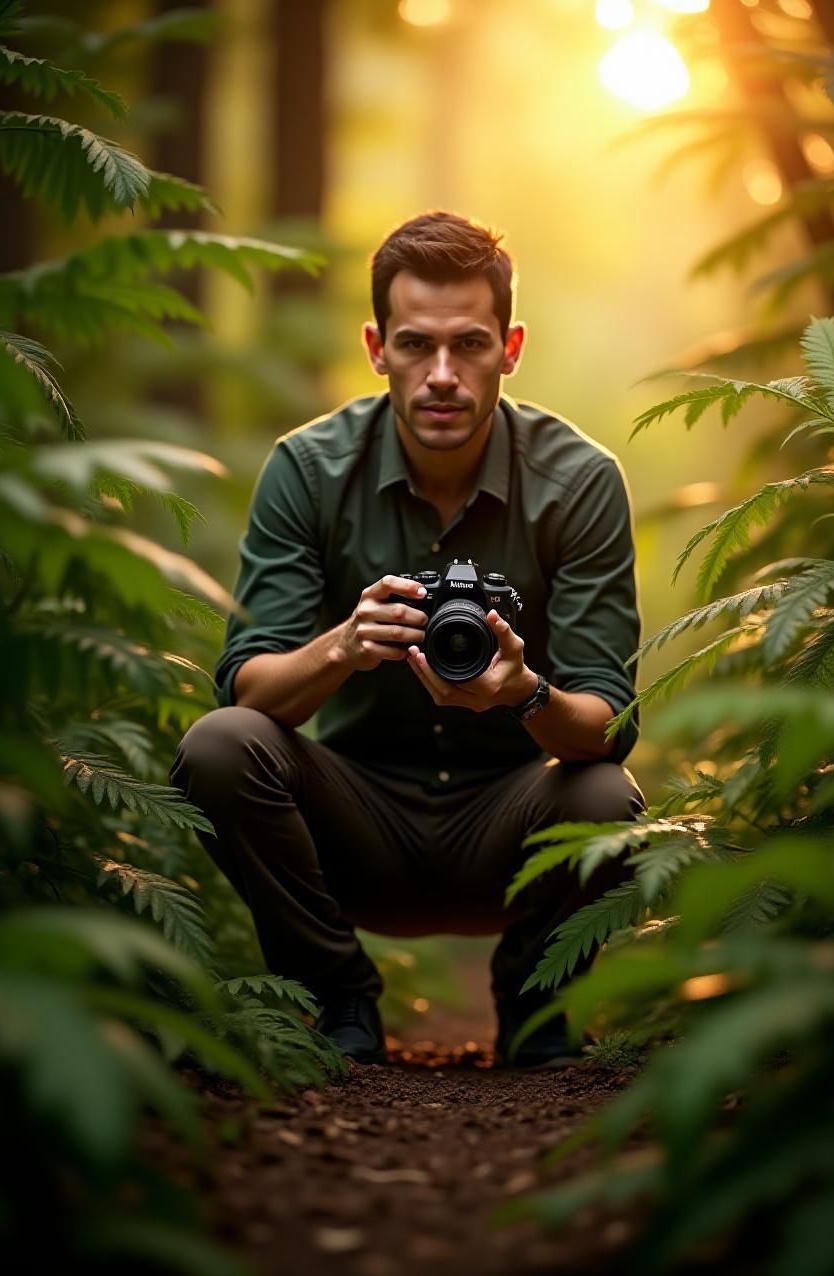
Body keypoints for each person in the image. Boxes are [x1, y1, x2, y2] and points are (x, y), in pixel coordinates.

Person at [169, 210, 645, 1070]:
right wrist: (343, 646)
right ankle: (336, 995)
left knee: (610, 796)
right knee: (220, 745)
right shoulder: (308, 469)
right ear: (375, 346)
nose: (442, 376)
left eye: (469, 345)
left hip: (515, 830)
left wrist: (523, 691)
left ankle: (537, 1000)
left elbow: (609, 723)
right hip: (358, 825)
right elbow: (246, 687)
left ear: (512, 347)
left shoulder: (578, 482)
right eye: (415, 345)